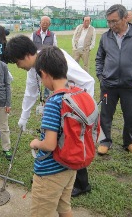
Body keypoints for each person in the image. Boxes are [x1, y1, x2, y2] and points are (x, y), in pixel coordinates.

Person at [5, 35, 94, 198]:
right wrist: (24, 117)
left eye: (17, 62)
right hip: (62, 106)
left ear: (26, 55)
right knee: (59, 143)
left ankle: (82, 184)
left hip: (74, 109)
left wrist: (80, 111)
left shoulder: (54, 58)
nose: (18, 67)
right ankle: (53, 178)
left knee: (72, 142)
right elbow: (30, 92)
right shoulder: (34, 68)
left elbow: (87, 81)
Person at [96, 4, 132, 157]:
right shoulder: (105, 37)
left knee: (131, 115)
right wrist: (101, 76)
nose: (111, 25)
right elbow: (99, 58)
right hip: (109, 85)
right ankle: (105, 141)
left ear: (125, 18)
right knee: (106, 114)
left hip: (131, 85)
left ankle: (129, 142)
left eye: (114, 21)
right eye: (109, 21)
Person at [29, 46, 76, 217]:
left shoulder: (54, 102)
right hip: (70, 167)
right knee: (64, 208)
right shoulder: (75, 94)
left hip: (50, 172)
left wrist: (35, 143)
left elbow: (49, 144)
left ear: (44, 73)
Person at [30, 15, 57, 99]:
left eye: (47, 23)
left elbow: (55, 47)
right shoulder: (34, 34)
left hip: (47, 60)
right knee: (37, 78)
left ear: (49, 24)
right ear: (40, 23)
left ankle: (46, 94)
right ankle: (37, 94)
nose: (44, 24)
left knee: (47, 77)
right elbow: (30, 47)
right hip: (36, 61)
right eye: (43, 22)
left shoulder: (52, 35)